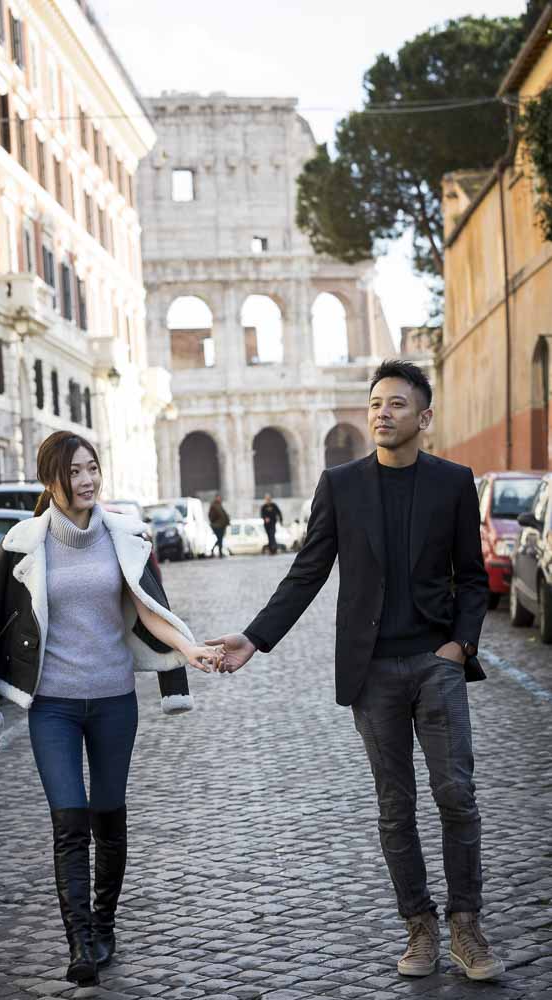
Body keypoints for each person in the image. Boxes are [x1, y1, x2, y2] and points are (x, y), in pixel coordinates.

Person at [207, 360, 504, 982]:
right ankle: (419, 927)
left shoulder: (453, 482)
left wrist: (460, 647)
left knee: (456, 795)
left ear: (423, 418)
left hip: (436, 664)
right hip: (371, 672)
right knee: (395, 806)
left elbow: (472, 580)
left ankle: (466, 926)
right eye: (375, 403)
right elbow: (308, 571)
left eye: (396, 404)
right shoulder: (340, 485)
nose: (381, 413)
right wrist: (255, 637)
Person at [0, 431, 221, 987]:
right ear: (50, 480)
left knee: (109, 813)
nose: (86, 480)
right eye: (74, 472)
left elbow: (150, 609)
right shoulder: (23, 543)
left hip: (112, 701)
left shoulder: (124, 536)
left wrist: (188, 647)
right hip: (51, 705)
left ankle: (104, 924)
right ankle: (79, 940)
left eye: (92, 468)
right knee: (68, 819)